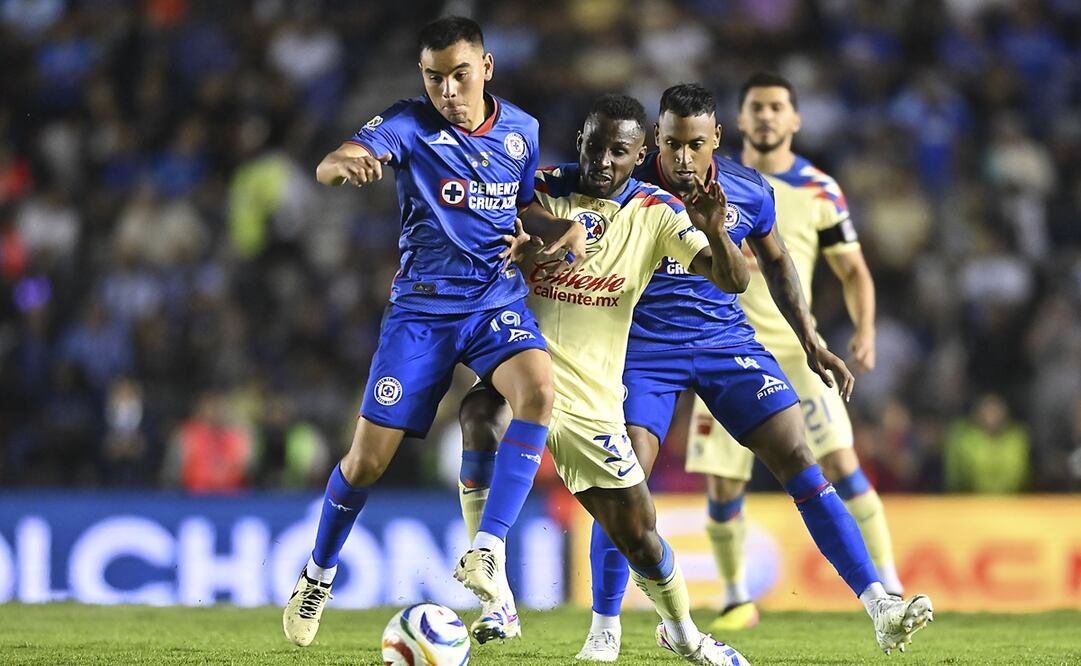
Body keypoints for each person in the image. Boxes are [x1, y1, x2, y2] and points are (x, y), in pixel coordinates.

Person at [459, 84, 932, 662]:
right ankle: (605, 629)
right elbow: (529, 203)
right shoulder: (626, 177)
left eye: (695, 146)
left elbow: (772, 265)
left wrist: (810, 341)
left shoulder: (747, 190)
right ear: (654, 140)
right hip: (640, 349)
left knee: (798, 458)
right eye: (673, 145)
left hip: (723, 339)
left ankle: (880, 605)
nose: (682, 159)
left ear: (716, 141)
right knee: (626, 484)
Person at [282, 16, 584, 647]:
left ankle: (489, 549)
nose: (447, 89)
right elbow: (332, 163)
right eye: (434, 77)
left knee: (538, 394)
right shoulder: (409, 123)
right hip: (421, 312)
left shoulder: (522, 130)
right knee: (366, 462)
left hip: (493, 301)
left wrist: (551, 235)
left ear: (487, 68)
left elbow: (521, 202)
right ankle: (317, 573)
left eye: (459, 75)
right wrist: (347, 166)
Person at [463, 92, 753, 664]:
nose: (602, 161)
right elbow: (497, 211)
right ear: (580, 144)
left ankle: (686, 634)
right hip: (528, 371)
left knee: (639, 534)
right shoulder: (542, 188)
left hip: (595, 402)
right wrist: (526, 240)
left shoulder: (659, 212)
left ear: (639, 154)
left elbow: (733, 280)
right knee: (479, 414)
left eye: (618, 152)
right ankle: (492, 582)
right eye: (594, 147)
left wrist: (718, 232)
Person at [686, 72, 907, 632]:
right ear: (737, 120)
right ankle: (736, 597)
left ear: (795, 119)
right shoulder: (712, 180)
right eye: (755, 106)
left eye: (776, 107)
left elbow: (852, 268)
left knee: (840, 464)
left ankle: (891, 585)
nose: (765, 116)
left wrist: (866, 327)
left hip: (798, 352)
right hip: (726, 347)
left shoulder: (819, 189)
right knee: (722, 482)